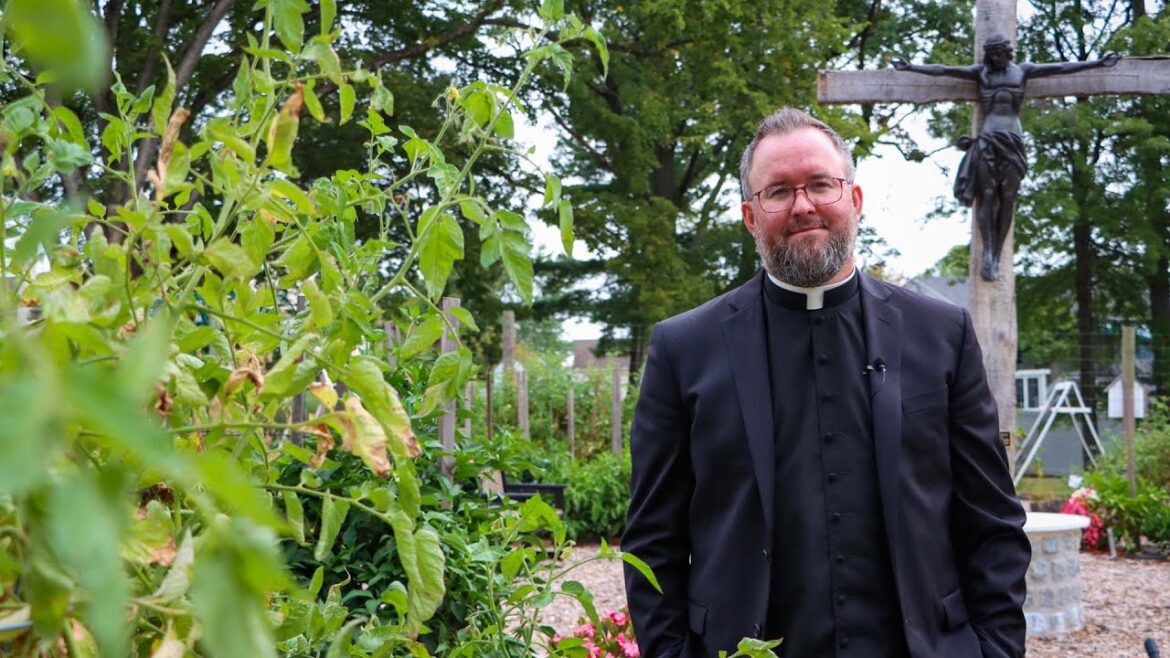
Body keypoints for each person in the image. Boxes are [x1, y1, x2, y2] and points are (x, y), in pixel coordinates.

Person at [622, 107, 1031, 658]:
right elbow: (653, 540)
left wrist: (996, 650)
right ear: (750, 215)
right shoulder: (683, 349)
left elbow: (991, 520)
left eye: (821, 184)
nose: (803, 205)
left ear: (854, 199)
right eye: (779, 191)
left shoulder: (941, 334)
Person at [893, 35, 1119, 280]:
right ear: (989, 55)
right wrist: (911, 67)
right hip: (988, 137)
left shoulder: (1023, 72)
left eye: (1001, 54)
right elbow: (944, 70)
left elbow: (1062, 68)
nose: (997, 59)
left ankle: (998, 253)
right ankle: (988, 252)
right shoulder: (981, 73)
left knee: (1008, 196)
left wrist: (1098, 63)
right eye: (993, 55)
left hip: (1012, 138)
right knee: (987, 194)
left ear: (1007, 53)